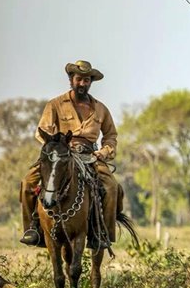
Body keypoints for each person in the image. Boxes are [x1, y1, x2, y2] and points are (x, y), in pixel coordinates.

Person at [20, 60, 121, 249]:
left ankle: (103, 234)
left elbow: (111, 135)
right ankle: (32, 229)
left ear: (91, 82)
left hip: (89, 155)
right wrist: (56, 148)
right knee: (27, 183)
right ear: (71, 79)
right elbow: (41, 131)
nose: (82, 84)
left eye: (86, 80)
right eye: (79, 79)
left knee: (112, 187)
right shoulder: (55, 104)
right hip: (59, 155)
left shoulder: (101, 109)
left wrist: (104, 151)